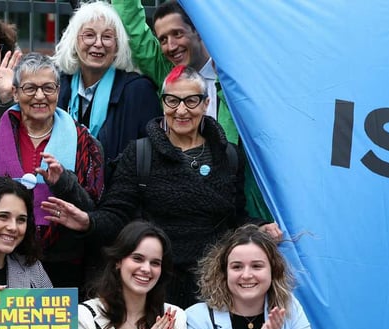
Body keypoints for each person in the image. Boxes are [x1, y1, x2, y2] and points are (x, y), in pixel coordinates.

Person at [44, 65, 279, 308]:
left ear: (206, 103)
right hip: (156, 287)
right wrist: (88, 221)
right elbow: (116, 215)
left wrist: (260, 227)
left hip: (213, 288)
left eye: (191, 101)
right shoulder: (140, 154)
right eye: (172, 101)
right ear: (162, 103)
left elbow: (235, 217)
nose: (181, 110)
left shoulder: (229, 156)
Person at [0, 53, 104, 289]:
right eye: (30, 88)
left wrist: (63, 182)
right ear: (15, 93)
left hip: (65, 263)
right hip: (6, 259)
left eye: (48, 88)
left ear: (58, 91)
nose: (40, 96)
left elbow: (93, 212)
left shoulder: (85, 143)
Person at [110, 0, 273, 222]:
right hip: (181, 202)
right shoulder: (167, 72)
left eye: (177, 34)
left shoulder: (236, 74)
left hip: (236, 201)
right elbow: (134, 29)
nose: (171, 45)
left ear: (198, 29)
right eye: (163, 39)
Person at [185, 224, 320, 329]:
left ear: (273, 270)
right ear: (224, 273)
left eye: (257, 266)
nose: (247, 275)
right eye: (237, 267)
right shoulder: (198, 317)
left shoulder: (290, 307)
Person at [52, 0, 161, 161]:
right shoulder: (57, 86)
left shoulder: (139, 91)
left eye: (107, 37)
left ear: (118, 45)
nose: (98, 43)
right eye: (89, 35)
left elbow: (153, 157)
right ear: (74, 41)